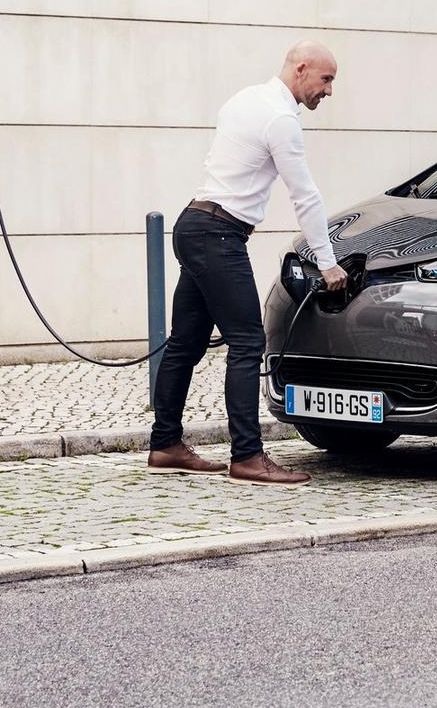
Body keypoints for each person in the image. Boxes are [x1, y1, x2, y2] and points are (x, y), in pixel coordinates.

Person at [147, 41, 347, 485]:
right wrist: (328, 262)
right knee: (247, 342)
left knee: (186, 342)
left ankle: (164, 445)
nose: (329, 91)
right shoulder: (280, 119)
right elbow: (305, 195)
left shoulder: (244, 99)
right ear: (301, 70)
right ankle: (248, 457)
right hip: (218, 235)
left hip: (195, 223)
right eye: (326, 79)